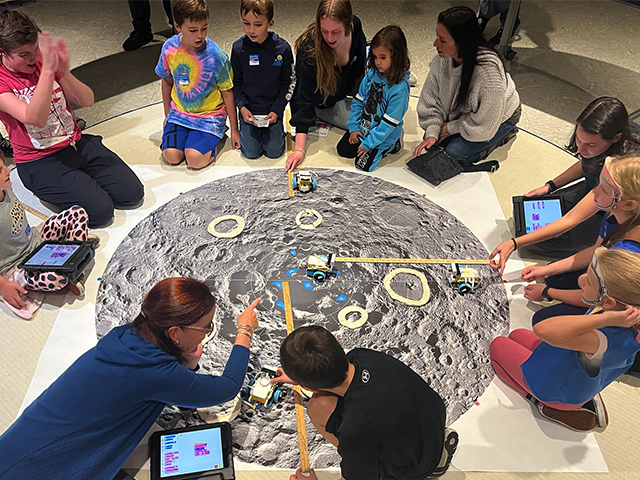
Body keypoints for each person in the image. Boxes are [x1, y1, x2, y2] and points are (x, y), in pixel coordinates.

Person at [0, 277, 260, 479]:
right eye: (206, 327)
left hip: (19, 442)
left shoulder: (126, 334)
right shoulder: (157, 374)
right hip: (46, 466)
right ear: (174, 333)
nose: (206, 333)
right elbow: (226, 388)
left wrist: (187, 363)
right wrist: (244, 331)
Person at [0, 10, 144, 228]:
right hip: (39, 161)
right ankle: (50, 189)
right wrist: (48, 72)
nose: (33, 57)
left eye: (36, 49)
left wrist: (63, 71)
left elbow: (87, 100)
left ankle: (77, 181)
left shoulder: (42, 63)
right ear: (3, 53)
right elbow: (34, 119)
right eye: (24, 54)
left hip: (75, 144)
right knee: (101, 212)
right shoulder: (3, 80)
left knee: (131, 194)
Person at [272, 325, 458, 480]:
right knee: (326, 405)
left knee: (317, 408)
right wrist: (302, 375)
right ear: (338, 342)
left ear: (309, 387)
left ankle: (432, 466)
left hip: (416, 466)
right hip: (431, 421)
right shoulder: (362, 355)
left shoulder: (354, 428)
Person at [490, 247, 640, 432]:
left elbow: (543, 330)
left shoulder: (604, 336)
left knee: (497, 346)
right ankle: (585, 394)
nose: (581, 280)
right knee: (516, 335)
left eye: (589, 281)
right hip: (574, 369)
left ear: (609, 302)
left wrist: (603, 318)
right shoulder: (625, 315)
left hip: (556, 389)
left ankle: (542, 403)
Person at [522, 97, 640, 258]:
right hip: (598, 191)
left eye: (591, 145)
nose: (580, 148)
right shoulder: (608, 134)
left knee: (535, 243)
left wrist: (515, 243)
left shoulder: (624, 163)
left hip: (614, 211)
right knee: (533, 211)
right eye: (579, 139)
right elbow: (588, 164)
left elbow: (572, 218)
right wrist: (551, 185)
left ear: (616, 138)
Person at [490, 155, 640, 277]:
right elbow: (575, 227)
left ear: (628, 205)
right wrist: (514, 243)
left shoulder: (629, 248)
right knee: (552, 274)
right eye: (598, 184)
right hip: (602, 257)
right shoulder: (615, 207)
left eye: (605, 191)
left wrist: (550, 291)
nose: (594, 191)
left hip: (612, 282)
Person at [414, 5, 520, 166]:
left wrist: (450, 128)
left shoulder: (488, 74)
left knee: (453, 155)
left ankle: (505, 135)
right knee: (432, 145)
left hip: (498, 119)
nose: (435, 44)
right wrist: (433, 132)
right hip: (463, 117)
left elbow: (485, 126)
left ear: (462, 42)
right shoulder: (440, 60)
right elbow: (431, 100)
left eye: (442, 40)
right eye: (437, 37)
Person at [0, 163, 94, 319]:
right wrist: (3, 286)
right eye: (0, 170)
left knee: (77, 213)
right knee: (58, 278)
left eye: (3, 165)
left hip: (36, 238)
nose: (8, 170)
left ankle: (74, 261)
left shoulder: (5, 185)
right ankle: (73, 265)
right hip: (16, 267)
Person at [156, 0, 240, 170]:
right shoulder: (169, 48)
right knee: (171, 155)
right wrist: (168, 116)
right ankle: (188, 140)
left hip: (209, 116)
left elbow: (227, 91)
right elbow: (166, 81)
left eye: (204, 28)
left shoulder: (216, 56)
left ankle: (217, 137)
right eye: (193, 30)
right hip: (179, 114)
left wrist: (235, 130)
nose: (200, 35)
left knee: (194, 160)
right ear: (178, 26)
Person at [286, 0, 367, 171]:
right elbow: (303, 98)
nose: (329, 38)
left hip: (350, 82)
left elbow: (360, 66)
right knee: (365, 124)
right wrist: (299, 149)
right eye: (324, 31)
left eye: (336, 32)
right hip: (326, 100)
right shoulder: (308, 50)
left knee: (386, 60)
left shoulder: (356, 26)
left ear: (348, 24)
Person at [336, 25, 410, 172]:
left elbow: (388, 124)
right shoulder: (371, 74)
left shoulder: (400, 89)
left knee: (362, 166)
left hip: (382, 134)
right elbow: (357, 102)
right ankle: (370, 140)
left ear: (396, 57)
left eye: (383, 58)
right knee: (343, 150)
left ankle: (393, 143)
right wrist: (354, 127)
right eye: (375, 57)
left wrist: (369, 144)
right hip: (364, 128)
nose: (377, 62)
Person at [231, 0, 294, 160]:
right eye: (246, 23)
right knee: (251, 153)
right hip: (249, 111)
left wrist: (277, 110)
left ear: (270, 23)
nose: (251, 30)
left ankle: (277, 127)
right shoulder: (238, 49)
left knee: (274, 152)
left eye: (258, 24)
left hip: (272, 109)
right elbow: (235, 82)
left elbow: (290, 82)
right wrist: (242, 107)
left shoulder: (283, 49)